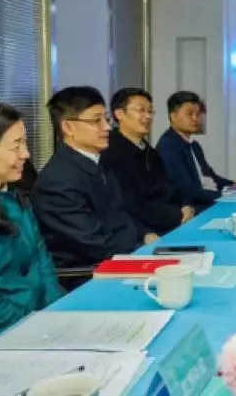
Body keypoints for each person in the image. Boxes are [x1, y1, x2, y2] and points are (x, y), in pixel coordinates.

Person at [0, 98, 63, 353]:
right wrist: (37, 334)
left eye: (25, 143)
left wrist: (58, 317)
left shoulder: (13, 197)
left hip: (40, 329)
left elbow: (43, 265)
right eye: (15, 146)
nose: (25, 154)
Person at [31, 86, 154, 275]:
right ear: (68, 127)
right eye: (96, 120)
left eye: (106, 119)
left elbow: (121, 216)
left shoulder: (98, 162)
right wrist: (134, 238)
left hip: (120, 256)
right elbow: (96, 244)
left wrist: (140, 236)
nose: (107, 127)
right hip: (85, 273)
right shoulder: (58, 180)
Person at [101, 88, 195, 235]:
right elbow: (130, 204)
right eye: (141, 110)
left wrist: (185, 207)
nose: (148, 116)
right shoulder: (111, 152)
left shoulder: (150, 152)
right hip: (142, 231)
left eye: (150, 111)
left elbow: (168, 187)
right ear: (119, 114)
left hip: (170, 220)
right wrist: (176, 216)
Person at [156, 91, 236, 210]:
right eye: (189, 114)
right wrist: (227, 196)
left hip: (211, 199)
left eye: (197, 114)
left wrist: (233, 185)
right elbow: (188, 191)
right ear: (173, 117)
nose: (195, 118)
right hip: (195, 207)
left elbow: (210, 176)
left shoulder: (194, 145)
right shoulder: (169, 146)